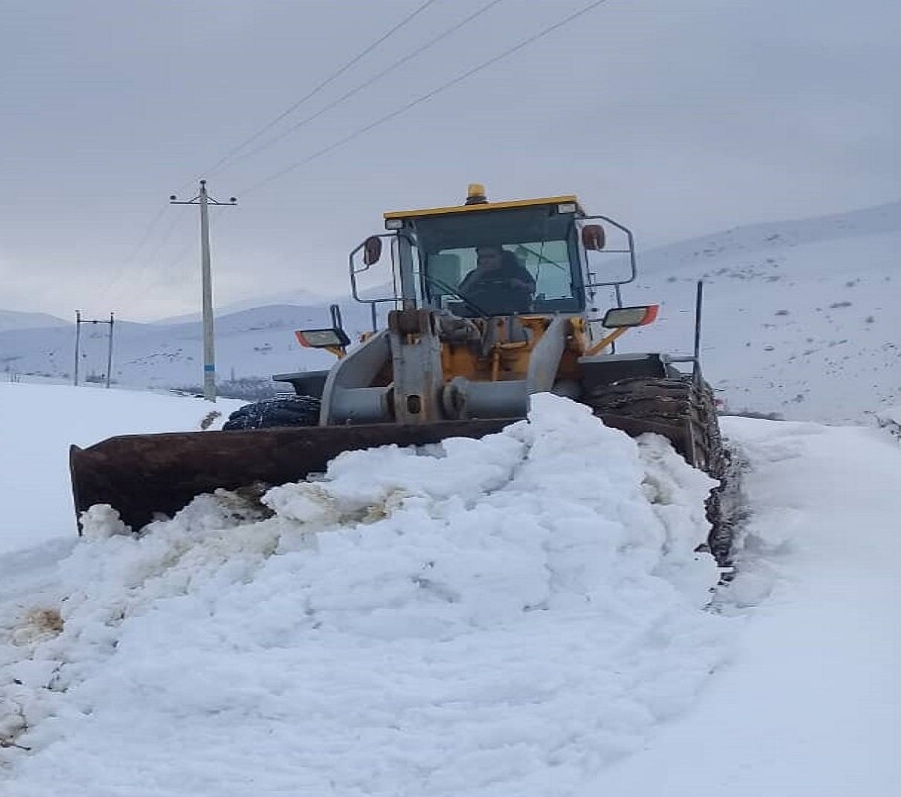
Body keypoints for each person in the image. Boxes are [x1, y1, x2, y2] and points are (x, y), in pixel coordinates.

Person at [457, 246, 535, 313]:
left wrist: (521, 285)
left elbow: (533, 287)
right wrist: (472, 280)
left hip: (515, 317)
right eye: (482, 257)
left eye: (491, 256)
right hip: (479, 318)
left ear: (501, 256)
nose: (486, 260)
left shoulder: (517, 271)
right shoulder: (473, 275)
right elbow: (460, 294)